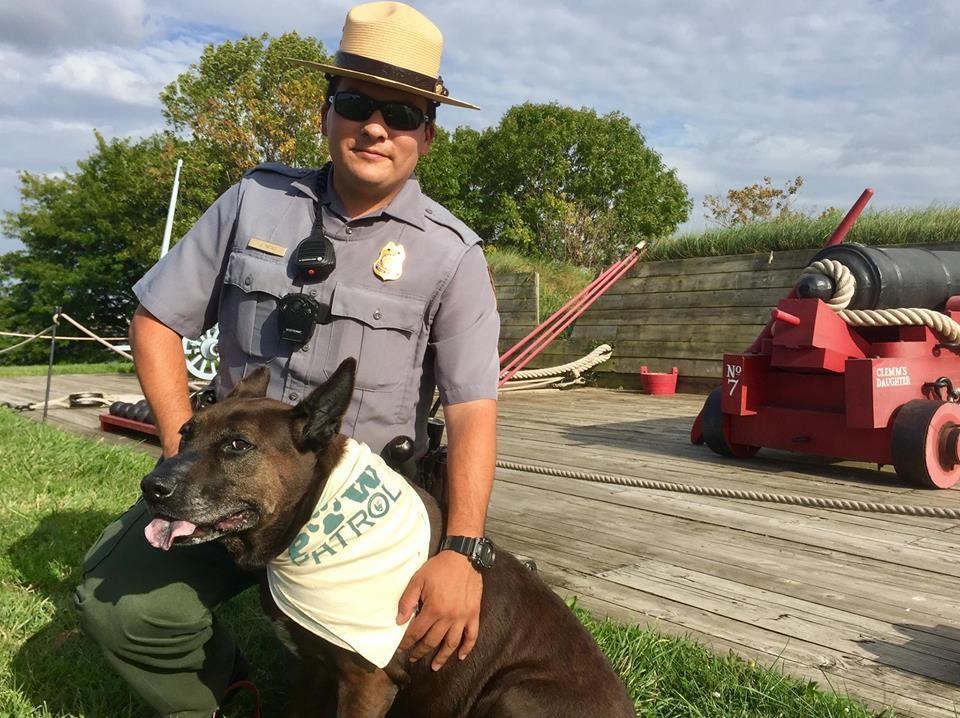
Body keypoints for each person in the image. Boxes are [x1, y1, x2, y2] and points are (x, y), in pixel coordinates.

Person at [74, 3, 500, 716]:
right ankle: (228, 694)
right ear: (327, 113)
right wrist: (186, 451)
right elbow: (155, 321)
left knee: (386, 666)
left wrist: (463, 549)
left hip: (363, 510)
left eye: (400, 114)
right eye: (357, 103)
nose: (375, 127)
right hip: (232, 467)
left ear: (427, 133)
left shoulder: (451, 256)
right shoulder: (253, 201)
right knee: (123, 608)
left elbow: (472, 409)